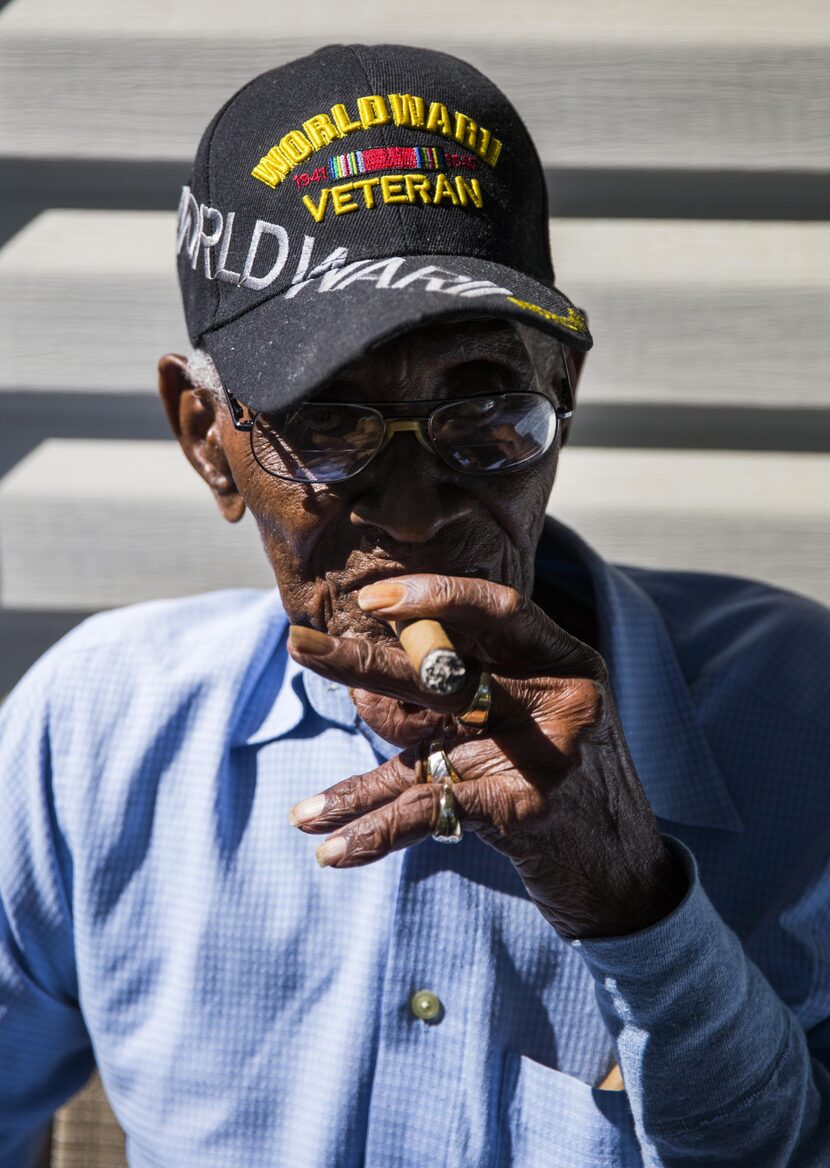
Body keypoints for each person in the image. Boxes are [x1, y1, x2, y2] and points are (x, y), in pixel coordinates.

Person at [1, 43, 829, 1168]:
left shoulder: (798, 712)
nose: (412, 510)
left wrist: (634, 902)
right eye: (326, 424)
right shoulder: (94, 732)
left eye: (485, 412)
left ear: (564, 397)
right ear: (208, 444)